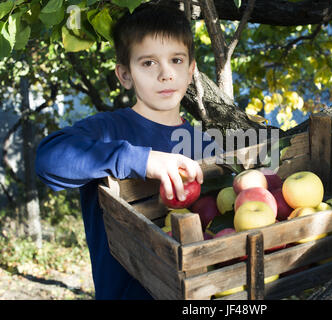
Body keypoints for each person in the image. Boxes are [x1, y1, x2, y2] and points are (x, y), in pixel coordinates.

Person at [35, 3, 217, 300]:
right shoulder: (109, 131)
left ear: (191, 69)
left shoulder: (206, 146)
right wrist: (142, 160)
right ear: (124, 74)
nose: (166, 74)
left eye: (176, 59)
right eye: (148, 63)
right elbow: (48, 160)